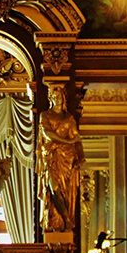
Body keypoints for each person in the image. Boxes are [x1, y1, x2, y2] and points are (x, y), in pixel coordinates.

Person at [36, 85, 86, 231]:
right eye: (55, 97)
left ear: (64, 98)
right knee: (54, 188)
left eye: (60, 97)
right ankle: (66, 219)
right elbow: (46, 133)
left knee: (66, 190)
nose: (57, 99)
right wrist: (67, 141)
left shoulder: (69, 118)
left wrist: (81, 156)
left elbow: (77, 139)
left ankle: (66, 220)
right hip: (51, 156)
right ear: (50, 98)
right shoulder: (45, 115)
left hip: (67, 158)